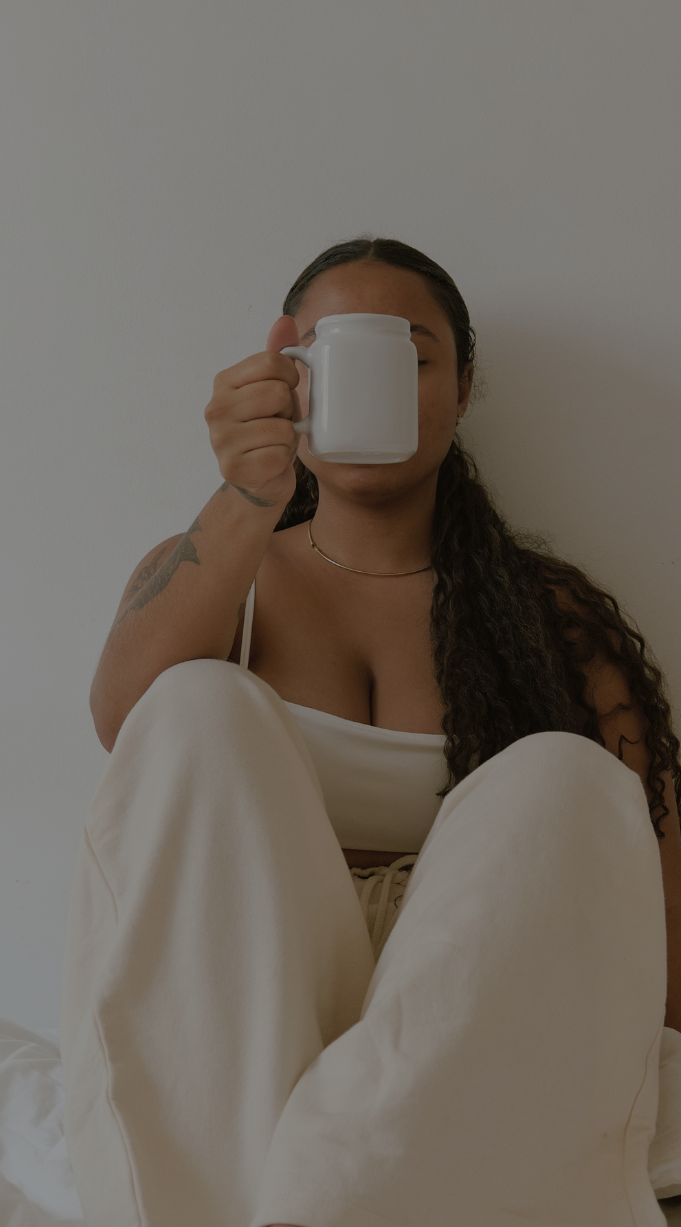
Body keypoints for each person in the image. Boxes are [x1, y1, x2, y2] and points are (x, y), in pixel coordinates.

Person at [61, 237, 681, 1227]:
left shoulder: (544, 611)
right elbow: (124, 729)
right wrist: (245, 496)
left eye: (411, 356)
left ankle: (338, 1193)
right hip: (253, 1002)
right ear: (286, 378)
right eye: (326, 355)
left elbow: (638, 870)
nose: (367, 383)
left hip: (462, 1024)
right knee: (197, 706)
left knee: (567, 776)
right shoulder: (221, 565)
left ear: (463, 387)